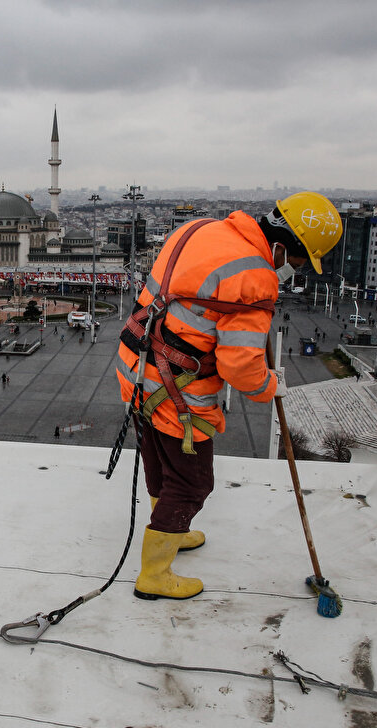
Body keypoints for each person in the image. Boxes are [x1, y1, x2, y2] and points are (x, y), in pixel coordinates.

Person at [115, 191, 341, 601]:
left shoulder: (200, 229)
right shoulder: (255, 279)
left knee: (156, 457)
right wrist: (271, 384)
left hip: (136, 368)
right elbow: (241, 368)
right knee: (191, 481)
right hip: (175, 390)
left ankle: (170, 528)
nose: (296, 270)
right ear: (282, 246)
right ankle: (154, 572)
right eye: (300, 261)